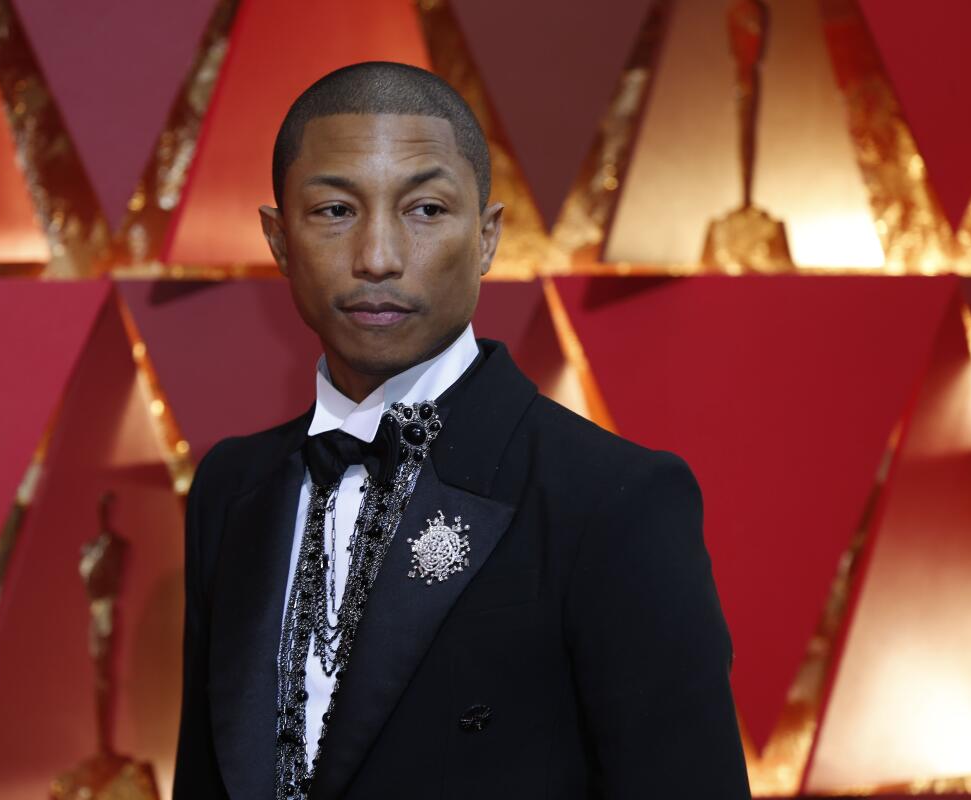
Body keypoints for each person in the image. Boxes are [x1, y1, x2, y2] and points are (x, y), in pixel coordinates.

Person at [173, 61, 751, 799]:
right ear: (279, 238)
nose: (377, 257)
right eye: (334, 211)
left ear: (486, 238)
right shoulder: (232, 489)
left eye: (425, 210)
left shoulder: (614, 501)